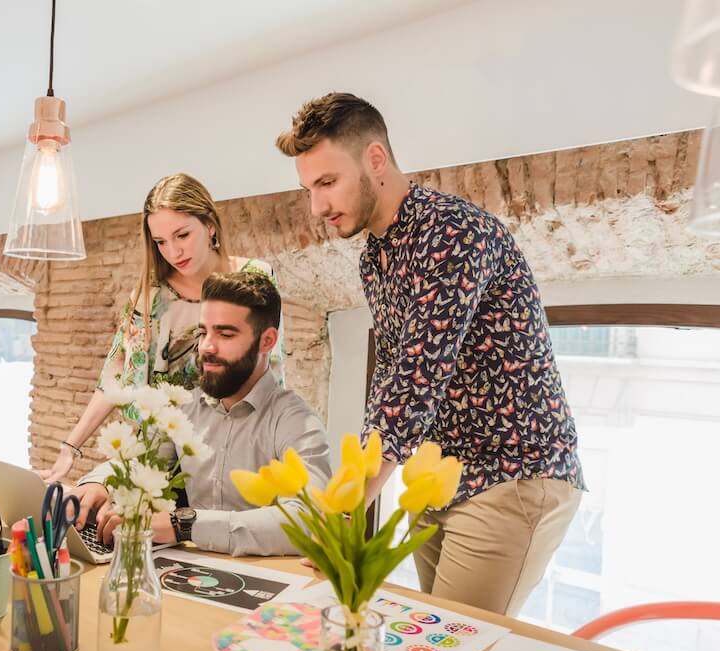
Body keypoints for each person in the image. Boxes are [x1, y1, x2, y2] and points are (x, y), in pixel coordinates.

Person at [276, 92, 584, 616]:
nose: (317, 207)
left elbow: (418, 375)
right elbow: (391, 381)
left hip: (512, 473)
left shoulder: (452, 232)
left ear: (375, 159)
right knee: (429, 648)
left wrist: (345, 509)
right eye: (309, 189)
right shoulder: (375, 257)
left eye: (327, 183)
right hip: (438, 475)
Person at [40, 173, 286, 483]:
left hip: (237, 451)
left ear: (210, 224)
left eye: (182, 235)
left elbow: (273, 372)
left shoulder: (256, 278)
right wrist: (69, 448)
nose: (173, 252)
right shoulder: (150, 298)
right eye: (161, 242)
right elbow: (114, 379)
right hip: (160, 458)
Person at [70, 272, 329, 556]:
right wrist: (100, 484)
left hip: (266, 585)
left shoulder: (296, 422)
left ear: (267, 341)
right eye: (203, 332)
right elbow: (140, 463)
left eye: (225, 334)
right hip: (188, 574)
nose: (206, 346)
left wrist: (185, 525)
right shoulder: (184, 406)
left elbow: (310, 519)